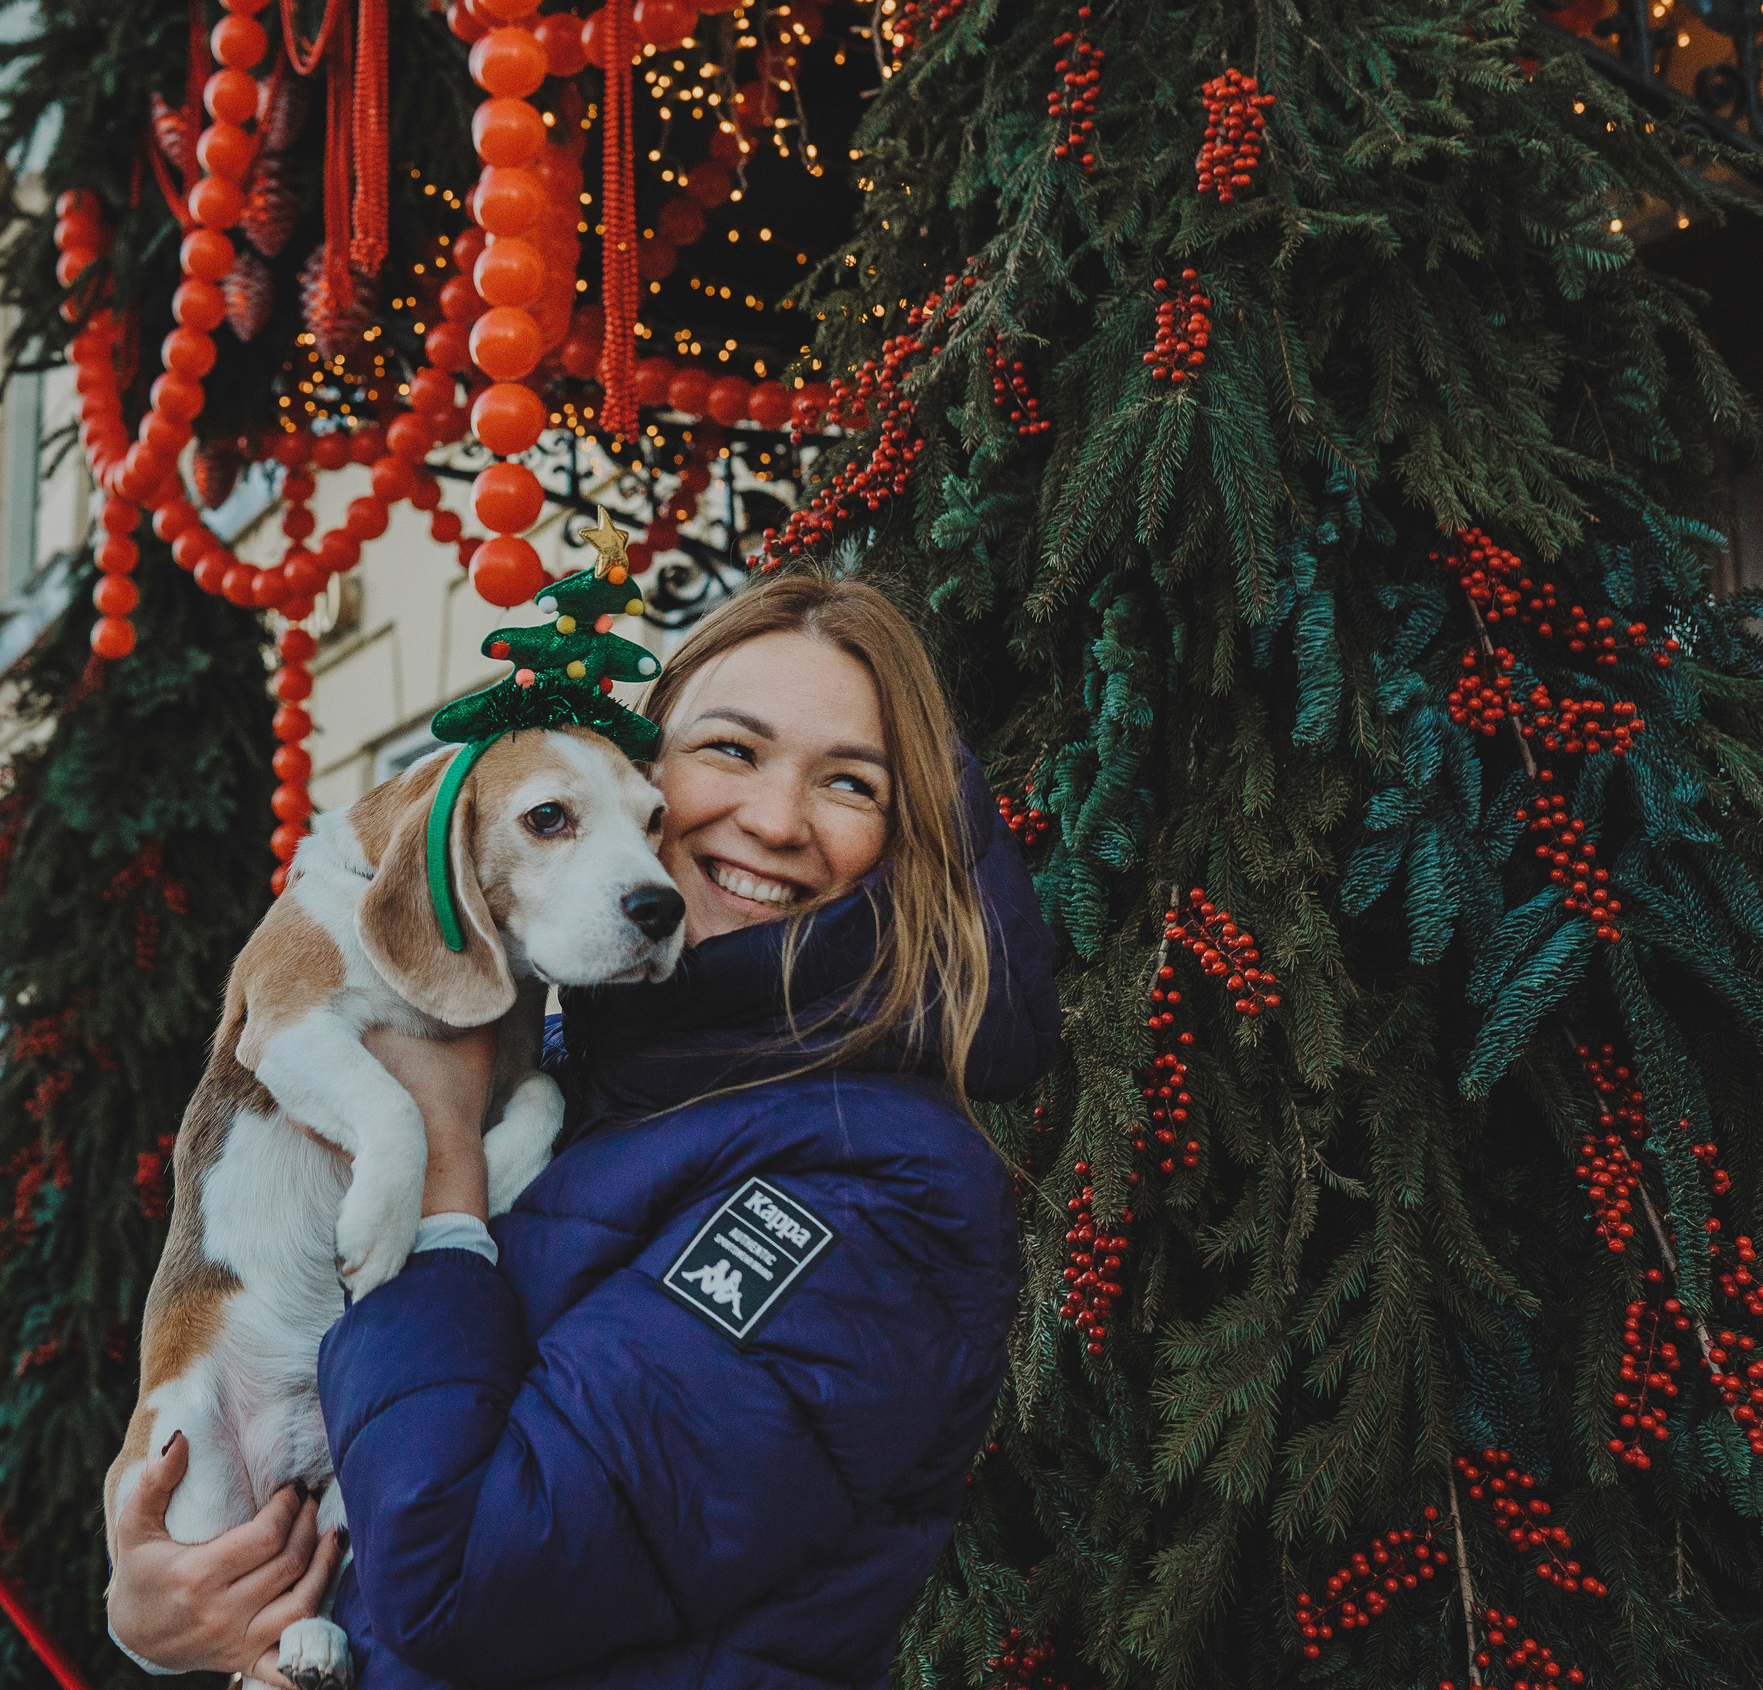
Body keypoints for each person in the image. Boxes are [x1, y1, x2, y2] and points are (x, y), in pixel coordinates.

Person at [107, 574, 1060, 1687]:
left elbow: (469, 1579)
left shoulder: (878, 1187)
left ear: (907, 840)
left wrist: (445, 1174)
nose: (773, 818)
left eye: (849, 782)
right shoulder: (591, 1071)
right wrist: (170, 1606)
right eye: (731, 750)